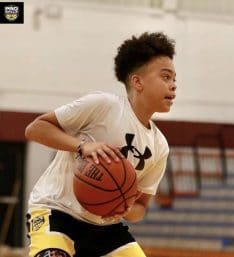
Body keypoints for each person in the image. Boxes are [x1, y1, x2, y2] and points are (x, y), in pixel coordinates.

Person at [25, 32, 177, 257]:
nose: (173, 86)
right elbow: (35, 129)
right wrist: (82, 146)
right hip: (55, 209)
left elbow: (140, 208)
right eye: (166, 77)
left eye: (175, 80)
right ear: (137, 81)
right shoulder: (103, 106)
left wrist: (125, 207)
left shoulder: (159, 146)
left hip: (104, 226)